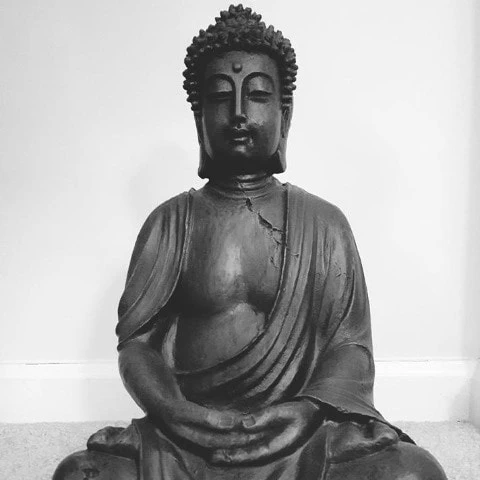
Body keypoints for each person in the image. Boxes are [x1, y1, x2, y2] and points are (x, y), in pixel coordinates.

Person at [53, 5, 447, 479]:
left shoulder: (325, 223)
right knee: (81, 473)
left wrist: (306, 409)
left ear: (285, 113)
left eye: (258, 94)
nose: (239, 112)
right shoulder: (171, 223)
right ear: (199, 116)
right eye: (221, 96)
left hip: (300, 435)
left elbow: (350, 347)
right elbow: (138, 345)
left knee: (412, 473)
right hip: (187, 438)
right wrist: (175, 413)